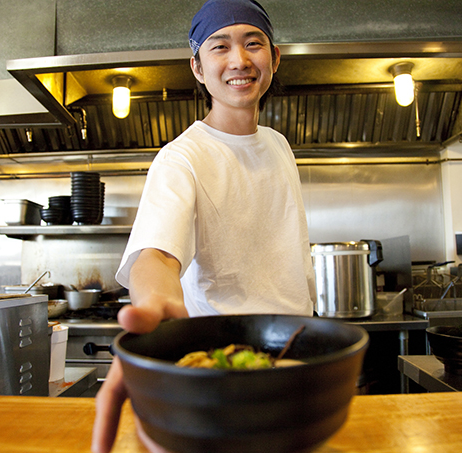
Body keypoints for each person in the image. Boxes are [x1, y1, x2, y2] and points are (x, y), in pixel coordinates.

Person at [92, 1, 316, 451]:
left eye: (254, 44)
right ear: (197, 66)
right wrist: (160, 318)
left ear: (274, 58)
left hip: (298, 361)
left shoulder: (279, 145)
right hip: (222, 373)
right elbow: (155, 254)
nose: (239, 60)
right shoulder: (182, 158)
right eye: (220, 46)